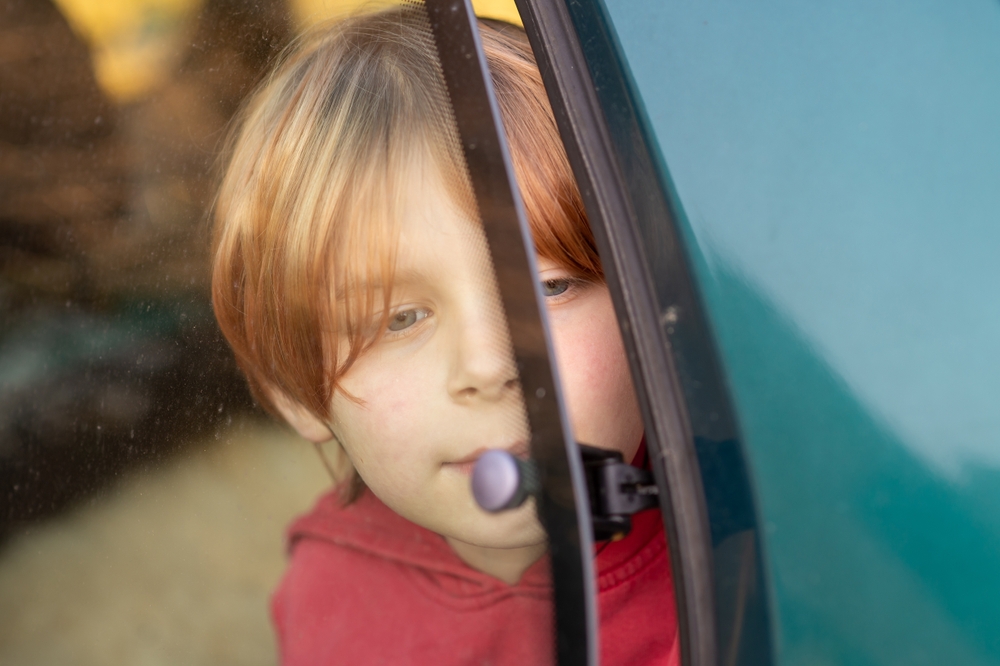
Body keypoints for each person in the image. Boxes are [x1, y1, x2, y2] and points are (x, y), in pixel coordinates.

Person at [211, 4, 678, 664]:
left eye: (551, 287)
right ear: (294, 388)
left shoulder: (757, 560)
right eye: (398, 319)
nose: (490, 365)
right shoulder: (328, 595)